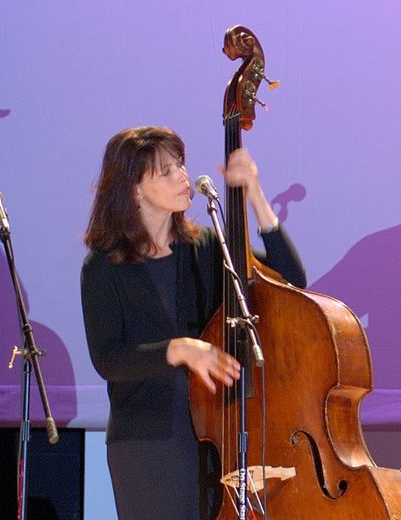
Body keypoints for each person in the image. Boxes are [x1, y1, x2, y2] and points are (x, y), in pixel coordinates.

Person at [79, 126, 306, 519]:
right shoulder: (103, 265)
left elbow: (290, 281)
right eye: (165, 172)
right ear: (134, 189)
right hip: (147, 440)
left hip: (216, 434)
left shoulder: (207, 246)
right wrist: (179, 349)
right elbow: (109, 359)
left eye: (180, 165)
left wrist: (255, 195)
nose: (182, 177)